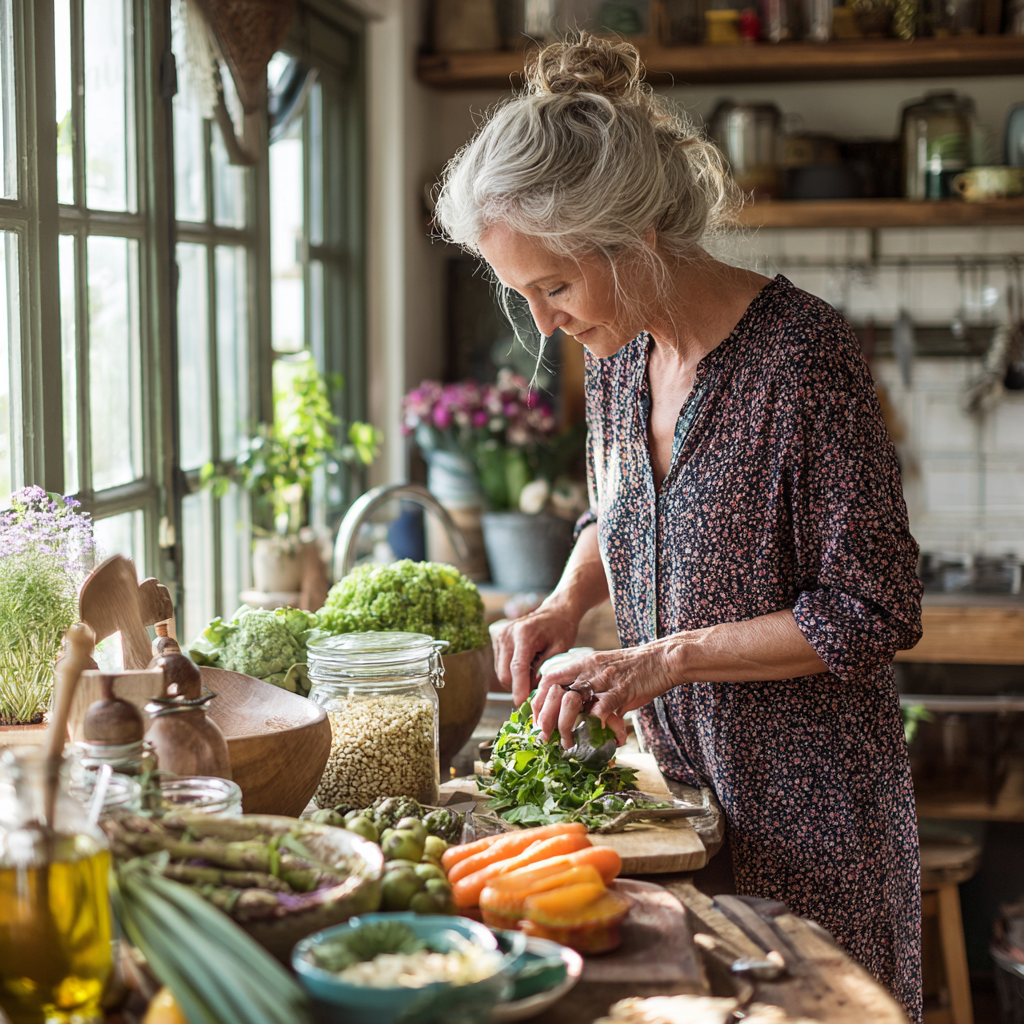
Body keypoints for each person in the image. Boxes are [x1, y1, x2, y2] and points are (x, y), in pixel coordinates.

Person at [433, 34, 924, 1022]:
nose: (542, 325)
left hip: (813, 821)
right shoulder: (621, 360)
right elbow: (618, 515)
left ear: (637, 241)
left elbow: (871, 610)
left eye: (556, 287)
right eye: (521, 294)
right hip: (683, 807)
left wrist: (663, 659)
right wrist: (568, 602)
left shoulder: (803, 359)